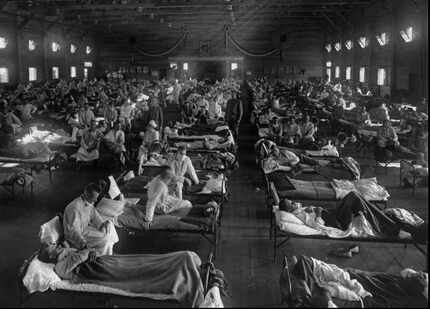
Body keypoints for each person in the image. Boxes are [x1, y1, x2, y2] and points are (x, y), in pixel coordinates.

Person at [63, 183, 118, 256]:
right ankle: (101, 257)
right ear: (86, 194)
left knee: (108, 229)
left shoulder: (88, 202)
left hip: (84, 230)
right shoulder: (75, 208)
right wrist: (84, 245)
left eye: (96, 197)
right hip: (75, 238)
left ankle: (105, 253)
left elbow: (94, 215)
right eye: (93, 198)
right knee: (105, 239)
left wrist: (102, 224)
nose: (95, 200)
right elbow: (73, 232)